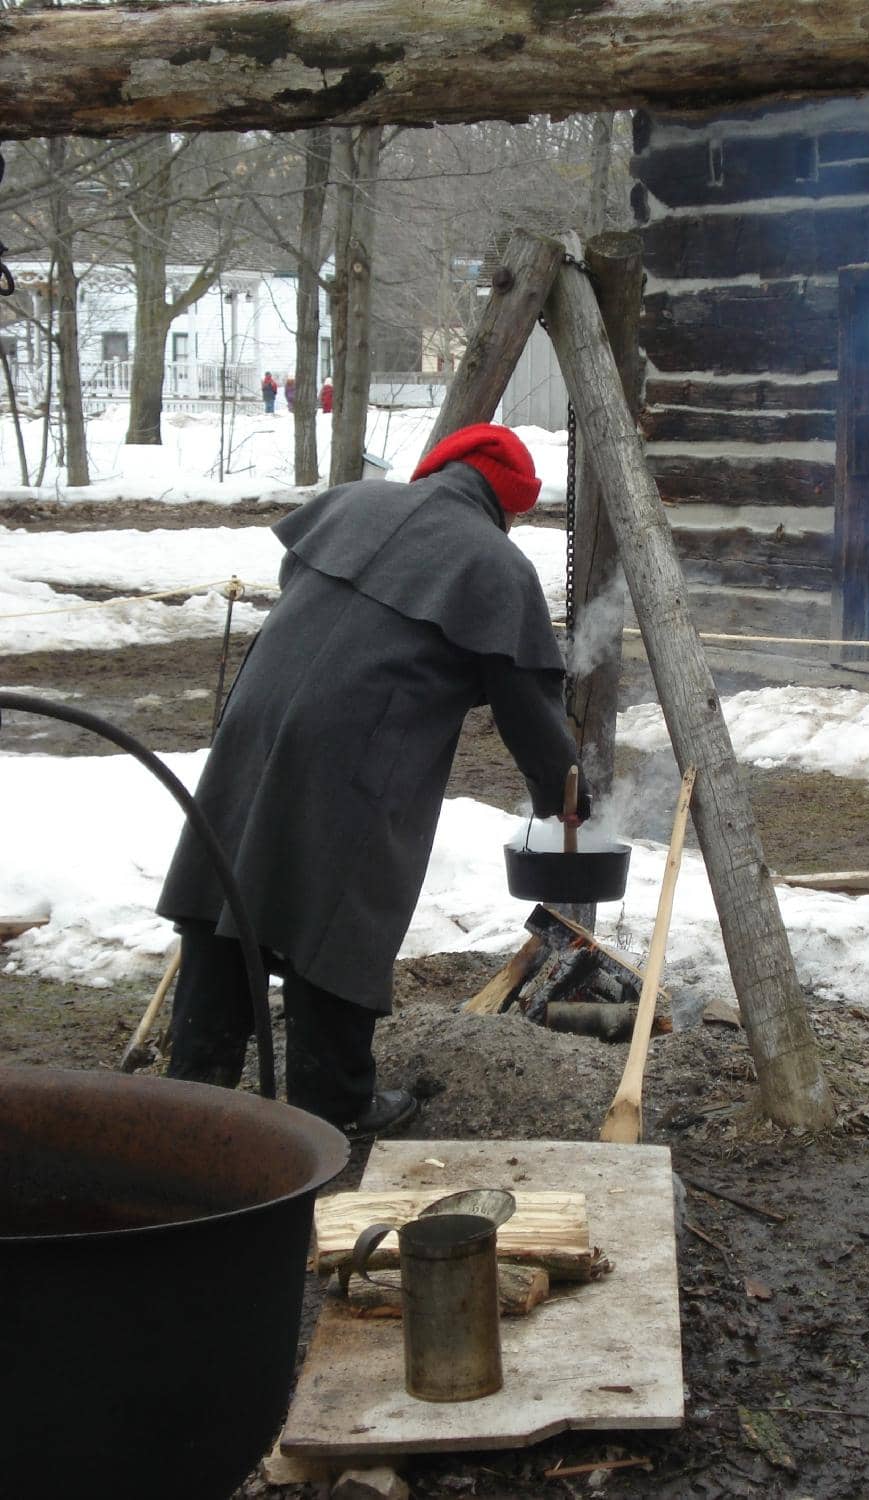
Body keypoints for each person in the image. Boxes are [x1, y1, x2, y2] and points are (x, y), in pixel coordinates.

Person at [158, 423, 589, 1135]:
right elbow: (526, 708)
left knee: (227, 886)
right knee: (338, 910)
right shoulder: (494, 563)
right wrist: (566, 797)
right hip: (357, 747)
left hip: (255, 720)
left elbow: (303, 590)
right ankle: (333, 1104)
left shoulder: (349, 504)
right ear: (508, 505)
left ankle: (195, 1085)